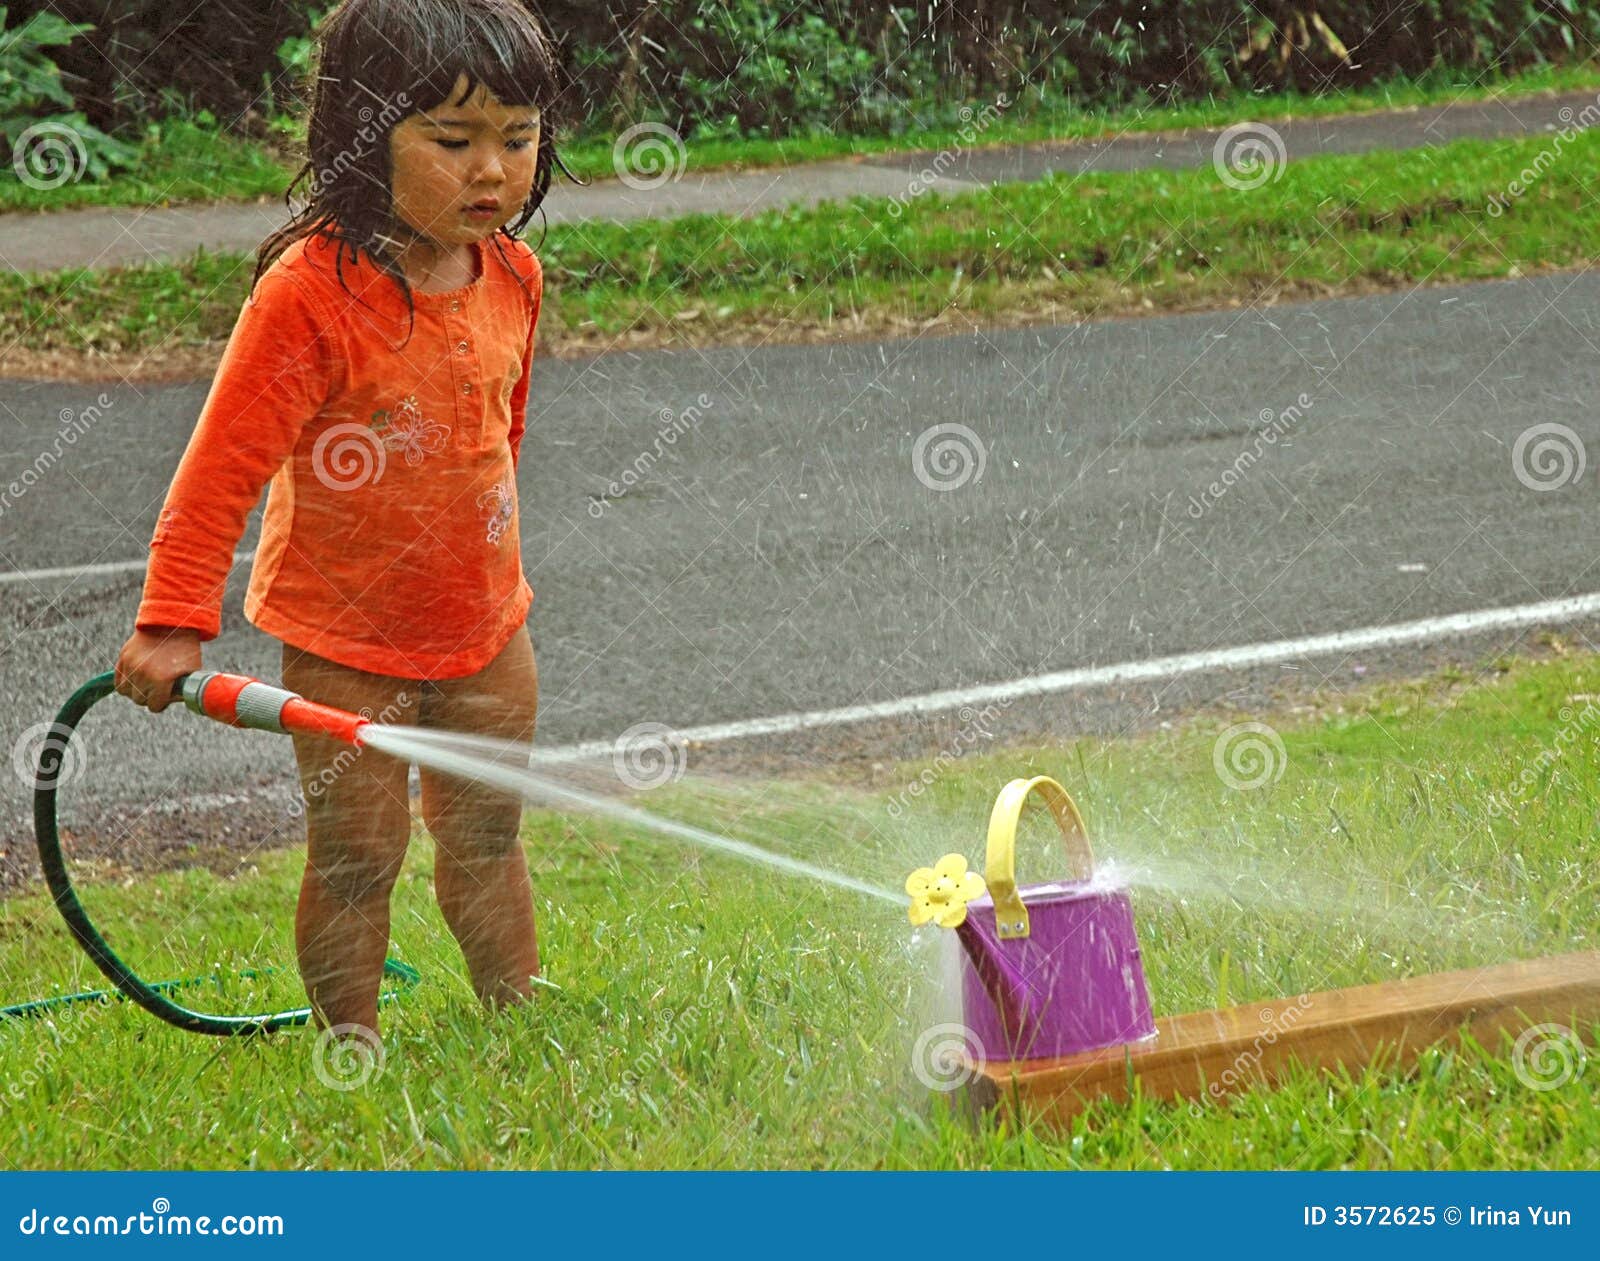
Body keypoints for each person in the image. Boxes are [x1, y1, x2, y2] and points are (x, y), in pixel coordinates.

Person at [113, 0, 566, 1042]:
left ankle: (519, 1020)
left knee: (489, 833)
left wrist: (485, 560)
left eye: (518, 137)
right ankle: (349, 1045)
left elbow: (502, 434)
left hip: (490, 627)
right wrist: (173, 615)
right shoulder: (309, 294)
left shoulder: (514, 275)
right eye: (452, 142)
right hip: (342, 635)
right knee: (360, 855)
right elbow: (219, 471)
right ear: (361, 136)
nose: (491, 171)